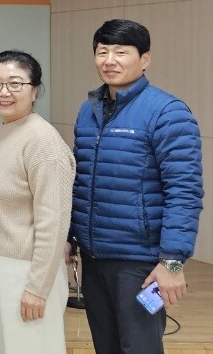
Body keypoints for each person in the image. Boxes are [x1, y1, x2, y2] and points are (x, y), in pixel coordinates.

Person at [70, 19, 203, 353]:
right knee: (106, 346)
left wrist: (172, 262)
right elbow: (80, 180)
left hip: (141, 264)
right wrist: (70, 236)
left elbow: (184, 192)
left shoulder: (168, 112)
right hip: (94, 257)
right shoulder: (89, 110)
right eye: (102, 52)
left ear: (145, 59)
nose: (109, 60)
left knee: (141, 347)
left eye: (121, 52)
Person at [0, 50, 74, 354]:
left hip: (26, 271)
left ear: (35, 90)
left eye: (15, 83)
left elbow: (53, 221)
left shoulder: (42, 141)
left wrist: (37, 287)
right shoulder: (1, 131)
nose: (4, 92)